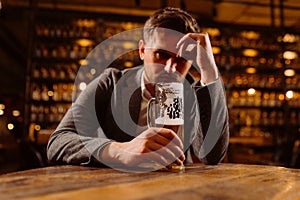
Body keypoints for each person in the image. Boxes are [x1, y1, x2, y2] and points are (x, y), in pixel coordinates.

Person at [47, 7, 229, 171]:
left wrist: (209, 70)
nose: (170, 68)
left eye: (182, 59)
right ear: (142, 50)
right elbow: (59, 142)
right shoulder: (111, 83)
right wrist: (120, 150)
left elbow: (211, 155)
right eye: (161, 54)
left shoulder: (195, 91)